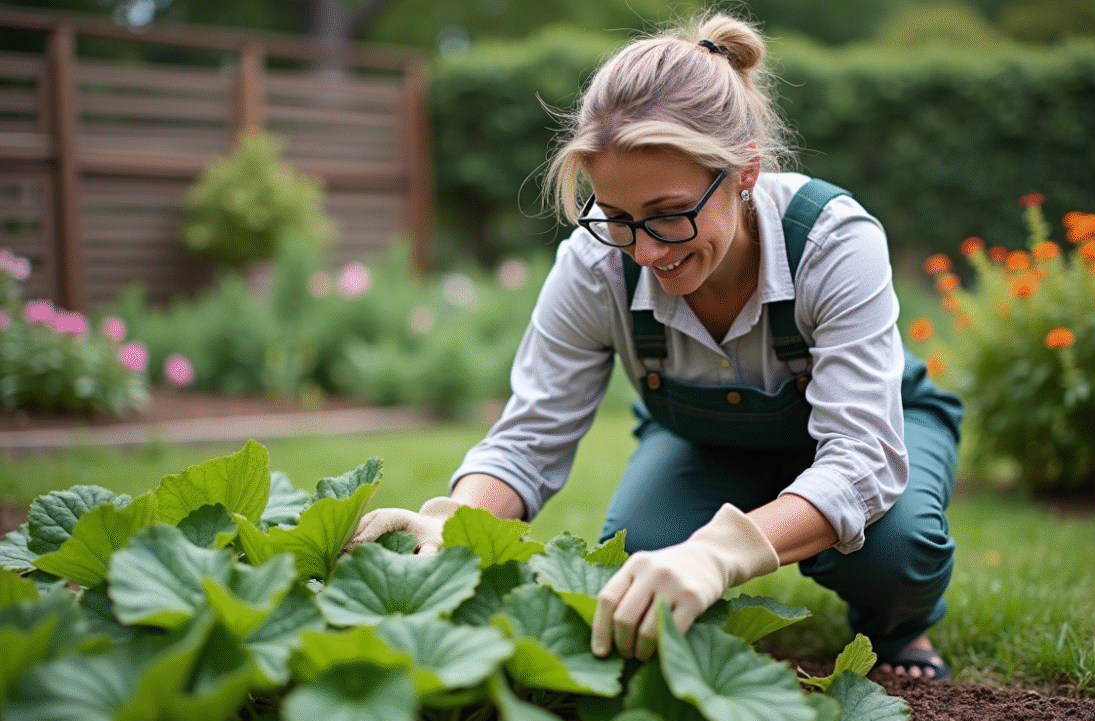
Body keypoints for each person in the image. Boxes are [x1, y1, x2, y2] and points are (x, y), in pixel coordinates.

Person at [347, 11, 963, 681]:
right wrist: (452, 523)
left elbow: (862, 459)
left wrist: (716, 554)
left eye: (670, 214)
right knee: (637, 550)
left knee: (894, 550)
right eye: (617, 217)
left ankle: (902, 635)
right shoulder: (594, 265)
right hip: (707, 445)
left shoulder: (833, 242)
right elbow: (530, 435)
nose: (645, 250)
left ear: (744, 171)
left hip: (868, 436)